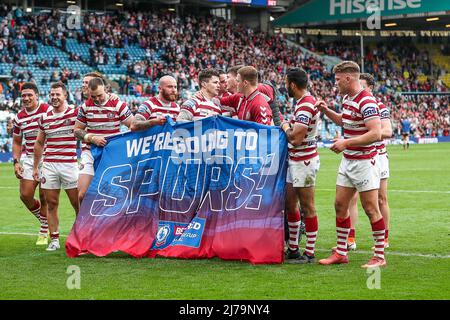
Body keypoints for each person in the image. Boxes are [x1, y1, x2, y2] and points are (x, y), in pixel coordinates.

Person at [316, 61, 386, 268]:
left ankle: (380, 256)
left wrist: (346, 142)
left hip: (365, 162)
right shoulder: (347, 98)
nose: (335, 83)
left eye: (337, 80)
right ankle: (341, 252)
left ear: (348, 78)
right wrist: (326, 110)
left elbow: (376, 133)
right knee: (340, 205)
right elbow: (345, 122)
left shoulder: (367, 101)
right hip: (349, 160)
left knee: (371, 208)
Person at [343, 73, 393, 251]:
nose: (359, 89)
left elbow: (388, 131)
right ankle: (350, 238)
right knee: (352, 199)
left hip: (378, 155)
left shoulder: (380, 107)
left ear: (370, 88)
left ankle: (384, 238)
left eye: (363, 86)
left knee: (381, 199)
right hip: (358, 155)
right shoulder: (352, 103)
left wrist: (373, 132)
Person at [33, 82, 79, 251]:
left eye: (57, 94)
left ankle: (81, 236)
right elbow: (39, 142)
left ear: (65, 95)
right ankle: (54, 240)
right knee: (51, 204)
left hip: (70, 165)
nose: (54, 97)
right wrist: (35, 167)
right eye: (52, 94)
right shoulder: (45, 117)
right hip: (50, 165)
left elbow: (85, 130)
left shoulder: (75, 113)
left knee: (77, 203)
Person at [280, 68, 320, 263]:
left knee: (307, 206)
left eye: (286, 83)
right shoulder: (303, 103)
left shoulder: (305, 105)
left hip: (304, 160)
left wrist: (285, 126)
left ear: (293, 85)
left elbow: (296, 138)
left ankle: (310, 252)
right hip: (295, 160)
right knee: (290, 204)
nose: (285, 86)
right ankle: (293, 248)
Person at [74, 77, 134, 204]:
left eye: (99, 95)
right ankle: (84, 224)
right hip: (90, 152)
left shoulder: (118, 105)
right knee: (82, 195)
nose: (97, 99)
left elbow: (133, 126)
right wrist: (91, 138)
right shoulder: (85, 107)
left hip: (112, 154)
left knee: (114, 195)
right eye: (93, 96)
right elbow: (77, 130)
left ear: (106, 89)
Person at [12, 82, 49, 245]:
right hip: (29, 158)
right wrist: (16, 162)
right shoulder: (19, 117)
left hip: (49, 156)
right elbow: (17, 141)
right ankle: (44, 220)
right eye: (23, 96)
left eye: (29, 95)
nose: (26, 98)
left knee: (44, 195)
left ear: (37, 96)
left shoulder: (47, 110)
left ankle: (44, 229)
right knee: (25, 195)